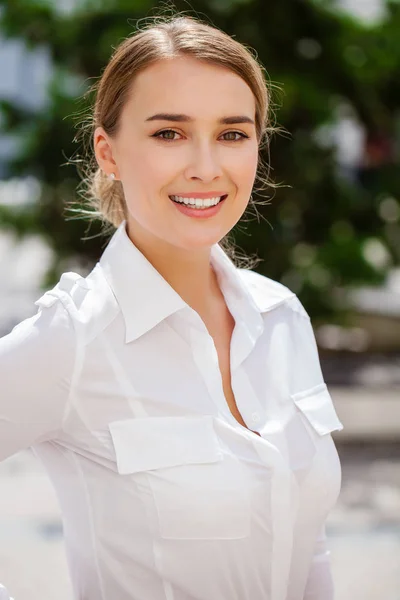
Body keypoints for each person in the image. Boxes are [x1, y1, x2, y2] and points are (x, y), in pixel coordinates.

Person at [0, 13, 344, 600]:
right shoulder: (75, 340)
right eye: (169, 133)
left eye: (233, 134)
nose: (206, 167)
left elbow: (305, 544)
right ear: (107, 151)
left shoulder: (282, 316)